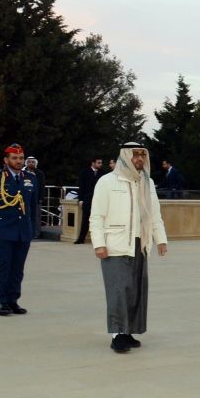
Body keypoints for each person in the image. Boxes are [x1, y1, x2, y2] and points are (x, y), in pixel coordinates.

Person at [89, 144, 168, 353]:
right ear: (125, 156)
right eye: (136, 155)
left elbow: (154, 214)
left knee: (135, 290)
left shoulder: (147, 183)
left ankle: (129, 330)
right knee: (118, 290)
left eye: (143, 154)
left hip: (139, 244)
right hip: (115, 244)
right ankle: (117, 335)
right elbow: (97, 216)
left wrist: (161, 239)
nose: (140, 158)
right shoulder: (107, 182)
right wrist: (99, 244)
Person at [0, 144, 39, 316]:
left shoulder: (30, 178)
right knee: (2, 266)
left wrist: (33, 228)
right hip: (2, 230)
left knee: (18, 268)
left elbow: (32, 206)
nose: (19, 161)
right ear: (6, 160)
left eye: (21, 158)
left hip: (23, 231)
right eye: (14, 158)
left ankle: (13, 300)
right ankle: (1, 301)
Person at [75, 157, 104, 244]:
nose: (100, 164)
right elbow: (81, 186)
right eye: (98, 163)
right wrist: (81, 199)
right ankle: (81, 239)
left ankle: (99, 240)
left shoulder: (102, 173)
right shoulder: (85, 172)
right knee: (85, 219)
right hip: (87, 199)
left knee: (99, 219)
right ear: (93, 163)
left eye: (101, 163)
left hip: (98, 199)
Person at [25, 156, 45, 238]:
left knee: (36, 216)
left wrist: (41, 198)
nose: (31, 163)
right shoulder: (23, 172)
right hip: (25, 198)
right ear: (26, 163)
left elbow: (42, 186)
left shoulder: (39, 173)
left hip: (36, 198)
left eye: (33, 162)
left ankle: (36, 233)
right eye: (29, 162)